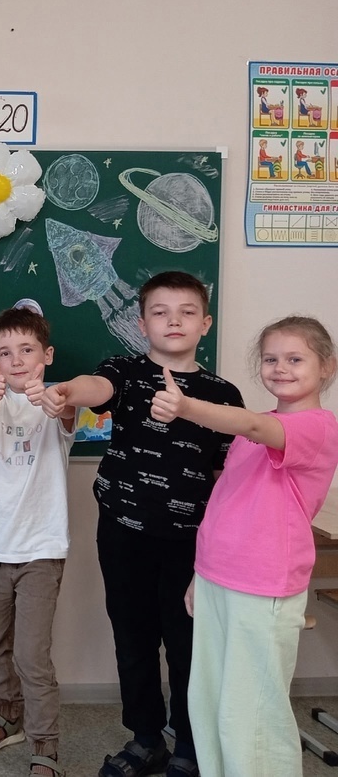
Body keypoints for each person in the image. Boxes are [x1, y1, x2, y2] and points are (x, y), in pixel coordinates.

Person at [42, 271, 244, 777]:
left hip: (191, 544)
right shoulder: (127, 371)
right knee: (132, 638)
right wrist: (66, 391)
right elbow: (96, 387)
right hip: (123, 532)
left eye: (187, 312)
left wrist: (221, 543)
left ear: (205, 324)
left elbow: (227, 474)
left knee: (188, 645)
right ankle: (146, 738)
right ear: (141, 324)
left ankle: (190, 746)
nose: (173, 321)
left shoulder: (223, 394)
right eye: (160, 312)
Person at [151, 316, 338, 777]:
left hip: (264, 584)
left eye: (295, 359)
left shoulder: (317, 427)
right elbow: (226, 502)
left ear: (327, 367)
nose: (281, 368)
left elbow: (252, 424)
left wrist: (185, 406)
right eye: (271, 359)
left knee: (251, 711)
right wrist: (200, 573)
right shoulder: (259, 428)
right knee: (210, 700)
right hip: (218, 578)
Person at [0, 307, 75, 777]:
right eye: (5, 353)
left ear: (47, 355)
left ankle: (45, 741)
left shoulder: (59, 400)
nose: (17, 360)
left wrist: (57, 401)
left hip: (40, 550)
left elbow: (66, 411)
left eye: (27, 350)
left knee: (31, 655)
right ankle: (7, 714)